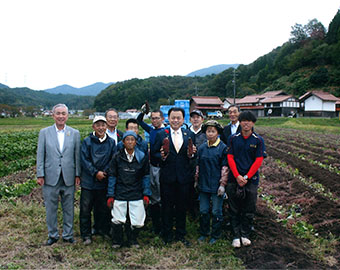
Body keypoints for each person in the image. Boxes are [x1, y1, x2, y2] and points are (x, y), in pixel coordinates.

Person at [36, 104, 81, 246]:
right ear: (53, 115)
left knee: (69, 207)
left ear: (67, 116)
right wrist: (40, 174)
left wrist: (77, 174)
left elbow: (77, 156)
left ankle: (68, 235)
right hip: (50, 176)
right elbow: (40, 154)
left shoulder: (74, 133)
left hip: (69, 176)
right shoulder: (44, 132)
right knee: (51, 208)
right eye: (58, 113)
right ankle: (53, 234)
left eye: (64, 113)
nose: (61, 116)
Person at [152, 107, 196, 246]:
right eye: (173, 117)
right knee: (167, 207)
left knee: (182, 207)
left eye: (178, 118)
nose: (175, 120)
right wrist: (162, 156)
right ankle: (167, 234)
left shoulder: (189, 134)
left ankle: (181, 234)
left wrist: (193, 154)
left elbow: (192, 155)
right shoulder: (161, 135)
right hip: (167, 177)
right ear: (168, 119)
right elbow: (153, 154)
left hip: (184, 178)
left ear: (183, 120)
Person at [226, 111, 266, 248]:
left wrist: (247, 177)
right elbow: (230, 157)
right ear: (240, 122)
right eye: (244, 120)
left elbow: (258, 160)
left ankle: (245, 234)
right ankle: (235, 235)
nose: (246, 123)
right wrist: (237, 175)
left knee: (249, 208)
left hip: (251, 179)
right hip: (233, 178)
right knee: (234, 208)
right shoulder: (233, 138)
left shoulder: (258, 140)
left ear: (253, 123)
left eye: (249, 121)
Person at [107, 131, 151, 248]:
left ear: (136, 142)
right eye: (127, 139)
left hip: (136, 192)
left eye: (132, 139)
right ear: (123, 142)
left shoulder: (142, 157)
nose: (130, 142)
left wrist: (146, 194)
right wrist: (110, 195)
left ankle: (133, 240)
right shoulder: (117, 157)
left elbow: (146, 176)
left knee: (138, 221)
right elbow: (112, 176)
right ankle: (117, 241)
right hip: (120, 191)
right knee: (117, 219)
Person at [79, 116, 116, 245]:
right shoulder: (87, 141)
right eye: (98, 125)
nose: (101, 128)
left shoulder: (111, 142)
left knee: (103, 208)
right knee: (85, 209)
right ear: (93, 127)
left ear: (106, 126)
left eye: (103, 125)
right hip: (89, 181)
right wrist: (95, 173)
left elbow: (113, 159)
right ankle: (86, 234)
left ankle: (102, 229)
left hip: (103, 180)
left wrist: (104, 172)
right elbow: (84, 160)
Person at [195, 120, 228, 245]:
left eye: (213, 131)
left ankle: (216, 235)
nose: (210, 134)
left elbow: (225, 168)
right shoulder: (202, 148)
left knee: (216, 211)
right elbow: (198, 165)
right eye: (208, 131)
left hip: (216, 185)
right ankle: (204, 233)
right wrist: (196, 180)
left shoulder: (223, 148)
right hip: (203, 184)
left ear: (218, 133)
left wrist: (222, 185)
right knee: (203, 210)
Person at [137, 107, 165, 235]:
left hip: (161, 167)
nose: (154, 120)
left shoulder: (166, 132)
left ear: (162, 119)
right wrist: (143, 111)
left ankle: (162, 224)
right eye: (152, 118)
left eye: (157, 118)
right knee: (154, 194)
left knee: (161, 195)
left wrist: (156, 154)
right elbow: (139, 120)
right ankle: (155, 224)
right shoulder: (152, 130)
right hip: (152, 166)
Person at [188, 109, 206, 220]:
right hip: (188, 166)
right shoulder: (185, 132)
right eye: (193, 117)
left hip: (202, 166)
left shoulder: (206, 133)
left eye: (197, 117)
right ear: (190, 120)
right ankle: (191, 213)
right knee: (189, 189)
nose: (195, 119)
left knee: (201, 189)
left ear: (202, 119)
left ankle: (202, 213)